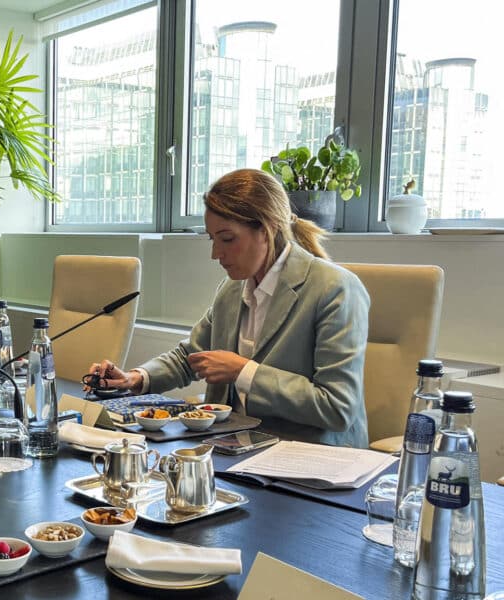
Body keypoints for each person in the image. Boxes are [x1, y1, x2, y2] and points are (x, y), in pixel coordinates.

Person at [87, 168, 370, 447]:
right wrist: (135, 379)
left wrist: (243, 371)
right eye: (212, 239)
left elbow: (337, 407)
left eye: (227, 239)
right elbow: (192, 356)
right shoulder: (233, 288)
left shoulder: (335, 288)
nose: (215, 254)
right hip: (237, 448)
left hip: (309, 463)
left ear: (267, 228)